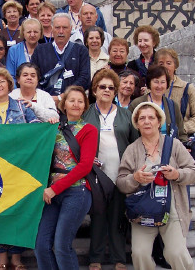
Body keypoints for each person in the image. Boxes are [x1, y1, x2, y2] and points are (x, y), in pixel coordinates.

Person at [117, 102, 195, 270]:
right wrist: (135, 178)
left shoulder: (174, 145)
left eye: (151, 118)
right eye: (142, 118)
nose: (147, 122)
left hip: (171, 208)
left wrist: (177, 175)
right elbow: (121, 182)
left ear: (159, 122)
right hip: (143, 210)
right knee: (140, 253)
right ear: (137, 124)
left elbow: (192, 171)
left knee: (175, 253)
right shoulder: (132, 150)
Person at [0, 68, 39, 270]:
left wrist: (47, 122)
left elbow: (36, 131)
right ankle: (1, 257)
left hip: (19, 169)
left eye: (2, 81)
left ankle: (16, 257)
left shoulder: (22, 107)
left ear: (9, 84)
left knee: (18, 212)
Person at [35, 86, 97, 270]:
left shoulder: (89, 130)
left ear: (85, 106)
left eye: (80, 101)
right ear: (64, 104)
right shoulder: (55, 127)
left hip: (76, 192)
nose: (76, 104)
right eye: (72, 100)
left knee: (62, 246)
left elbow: (85, 166)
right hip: (52, 194)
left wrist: (55, 188)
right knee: (41, 245)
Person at [82, 69, 138, 270]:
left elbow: (135, 143)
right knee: (98, 216)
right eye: (102, 86)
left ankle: (119, 258)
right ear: (95, 90)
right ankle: (95, 258)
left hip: (120, 174)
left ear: (115, 91)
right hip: (95, 175)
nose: (106, 90)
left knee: (117, 217)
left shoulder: (126, 114)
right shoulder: (85, 113)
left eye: (111, 87)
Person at [32, 13, 91, 105]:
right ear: (52, 29)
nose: (61, 31)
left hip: (72, 103)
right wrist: (46, 98)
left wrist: (64, 96)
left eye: (65, 27)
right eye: (57, 27)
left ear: (71, 29)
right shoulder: (40, 50)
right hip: (45, 102)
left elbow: (85, 78)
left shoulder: (81, 50)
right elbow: (34, 76)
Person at [129, 65, 188, 142]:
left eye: (162, 82)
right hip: (142, 148)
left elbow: (181, 133)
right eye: (156, 82)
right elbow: (129, 132)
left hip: (168, 148)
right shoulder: (137, 104)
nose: (159, 86)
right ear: (149, 83)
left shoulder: (173, 105)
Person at [155, 48, 195, 141]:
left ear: (175, 66)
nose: (165, 67)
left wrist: (181, 129)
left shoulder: (187, 88)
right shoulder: (150, 89)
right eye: (161, 63)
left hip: (181, 139)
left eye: (169, 63)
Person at [127, 25, 160, 91]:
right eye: (140, 41)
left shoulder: (161, 62)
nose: (142, 44)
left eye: (146, 40)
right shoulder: (132, 65)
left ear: (154, 42)